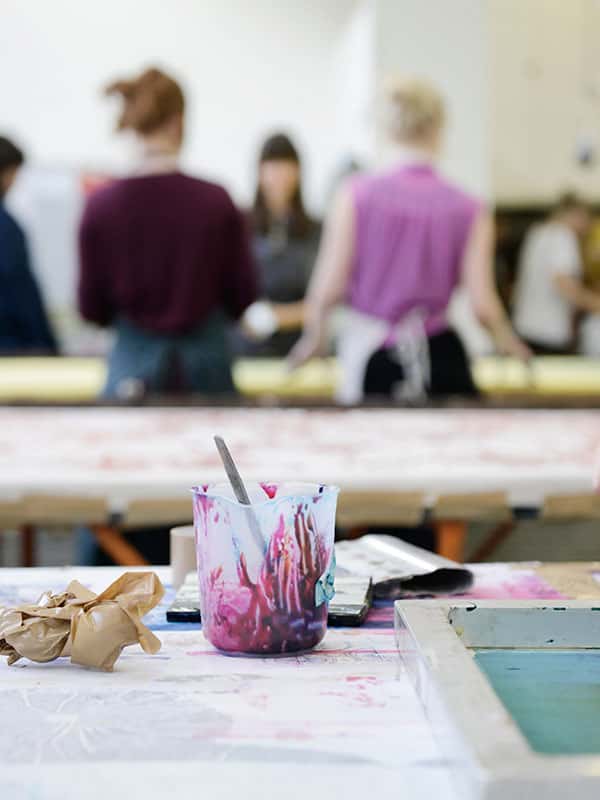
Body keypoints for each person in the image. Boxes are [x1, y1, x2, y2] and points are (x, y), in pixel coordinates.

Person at [290, 78, 529, 402]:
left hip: (373, 357)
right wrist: (509, 343)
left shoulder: (355, 195)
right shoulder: (469, 206)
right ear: (439, 130)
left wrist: (314, 340)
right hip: (443, 357)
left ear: (385, 128)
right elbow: (483, 305)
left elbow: (328, 290)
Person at [78, 67, 257, 397]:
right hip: (207, 378)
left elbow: (91, 308)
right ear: (179, 122)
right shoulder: (217, 202)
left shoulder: (101, 206)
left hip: (131, 374)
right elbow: (242, 297)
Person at [238, 134, 320, 357]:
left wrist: (278, 317)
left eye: (286, 167)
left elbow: (326, 297)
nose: (279, 176)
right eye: (272, 167)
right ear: (260, 172)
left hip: (299, 349)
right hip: (247, 349)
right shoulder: (241, 225)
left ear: (298, 172)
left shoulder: (315, 231)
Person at [513, 193, 597, 355]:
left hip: (526, 328)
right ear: (574, 214)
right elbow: (563, 283)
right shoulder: (563, 236)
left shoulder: (536, 233)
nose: (586, 226)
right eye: (585, 218)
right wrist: (595, 304)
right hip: (550, 333)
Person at [0, 136, 57, 354]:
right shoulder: (6, 228)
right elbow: (22, 295)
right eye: (14, 173)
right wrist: (47, 347)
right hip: (10, 348)